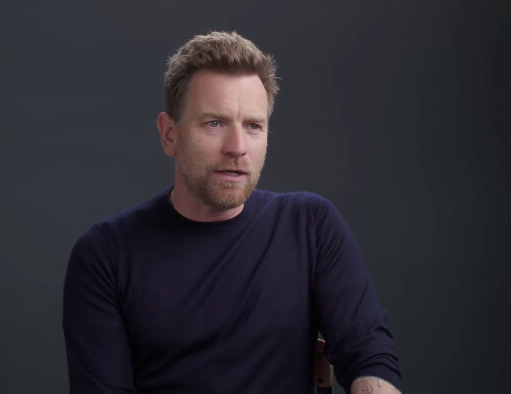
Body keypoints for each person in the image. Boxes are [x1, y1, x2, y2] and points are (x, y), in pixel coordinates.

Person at [63, 31, 402, 394]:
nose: (237, 147)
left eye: (253, 126)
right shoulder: (106, 255)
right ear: (169, 134)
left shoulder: (310, 225)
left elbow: (367, 352)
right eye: (215, 123)